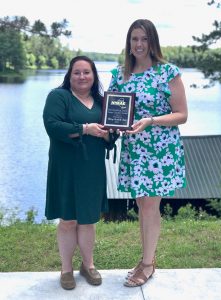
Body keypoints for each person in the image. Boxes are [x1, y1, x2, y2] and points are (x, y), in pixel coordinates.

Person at [108, 19, 188, 287]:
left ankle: (146, 265)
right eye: (134, 39)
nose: (139, 44)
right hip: (134, 149)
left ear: (153, 42)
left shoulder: (167, 72)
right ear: (128, 43)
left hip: (159, 150)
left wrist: (151, 120)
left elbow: (182, 115)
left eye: (144, 39)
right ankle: (147, 259)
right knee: (142, 204)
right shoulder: (120, 74)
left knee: (151, 205)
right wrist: (112, 125)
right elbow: (113, 109)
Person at [43, 56, 118, 290]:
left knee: (88, 219)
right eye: (77, 72)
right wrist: (85, 129)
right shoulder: (59, 96)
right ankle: (66, 269)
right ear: (70, 75)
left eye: (87, 72)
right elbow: (52, 126)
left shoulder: (101, 100)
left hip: (92, 168)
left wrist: (107, 134)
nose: (82, 76)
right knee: (68, 219)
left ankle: (88, 265)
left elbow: (111, 134)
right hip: (65, 167)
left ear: (94, 75)